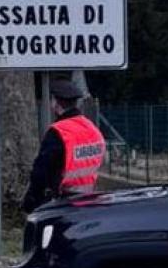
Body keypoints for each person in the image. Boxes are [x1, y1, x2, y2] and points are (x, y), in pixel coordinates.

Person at [21, 78, 106, 214]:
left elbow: (41, 172)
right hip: (89, 200)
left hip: (62, 202)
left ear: (55, 103)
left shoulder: (58, 131)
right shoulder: (92, 128)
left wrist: (31, 201)